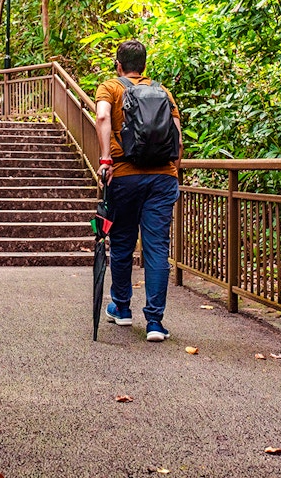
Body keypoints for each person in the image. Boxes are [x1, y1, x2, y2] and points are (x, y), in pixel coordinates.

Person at [95, 40, 181, 342]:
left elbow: (103, 117)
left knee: (122, 243)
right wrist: (172, 171)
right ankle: (155, 323)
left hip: (125, 175)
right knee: (157, 247)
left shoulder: (110, 88)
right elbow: (177, 137)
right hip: (162, 177)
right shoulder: (163, 92)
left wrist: (106, 159)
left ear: (119, 65)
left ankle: (121, 307)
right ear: (144, 65)